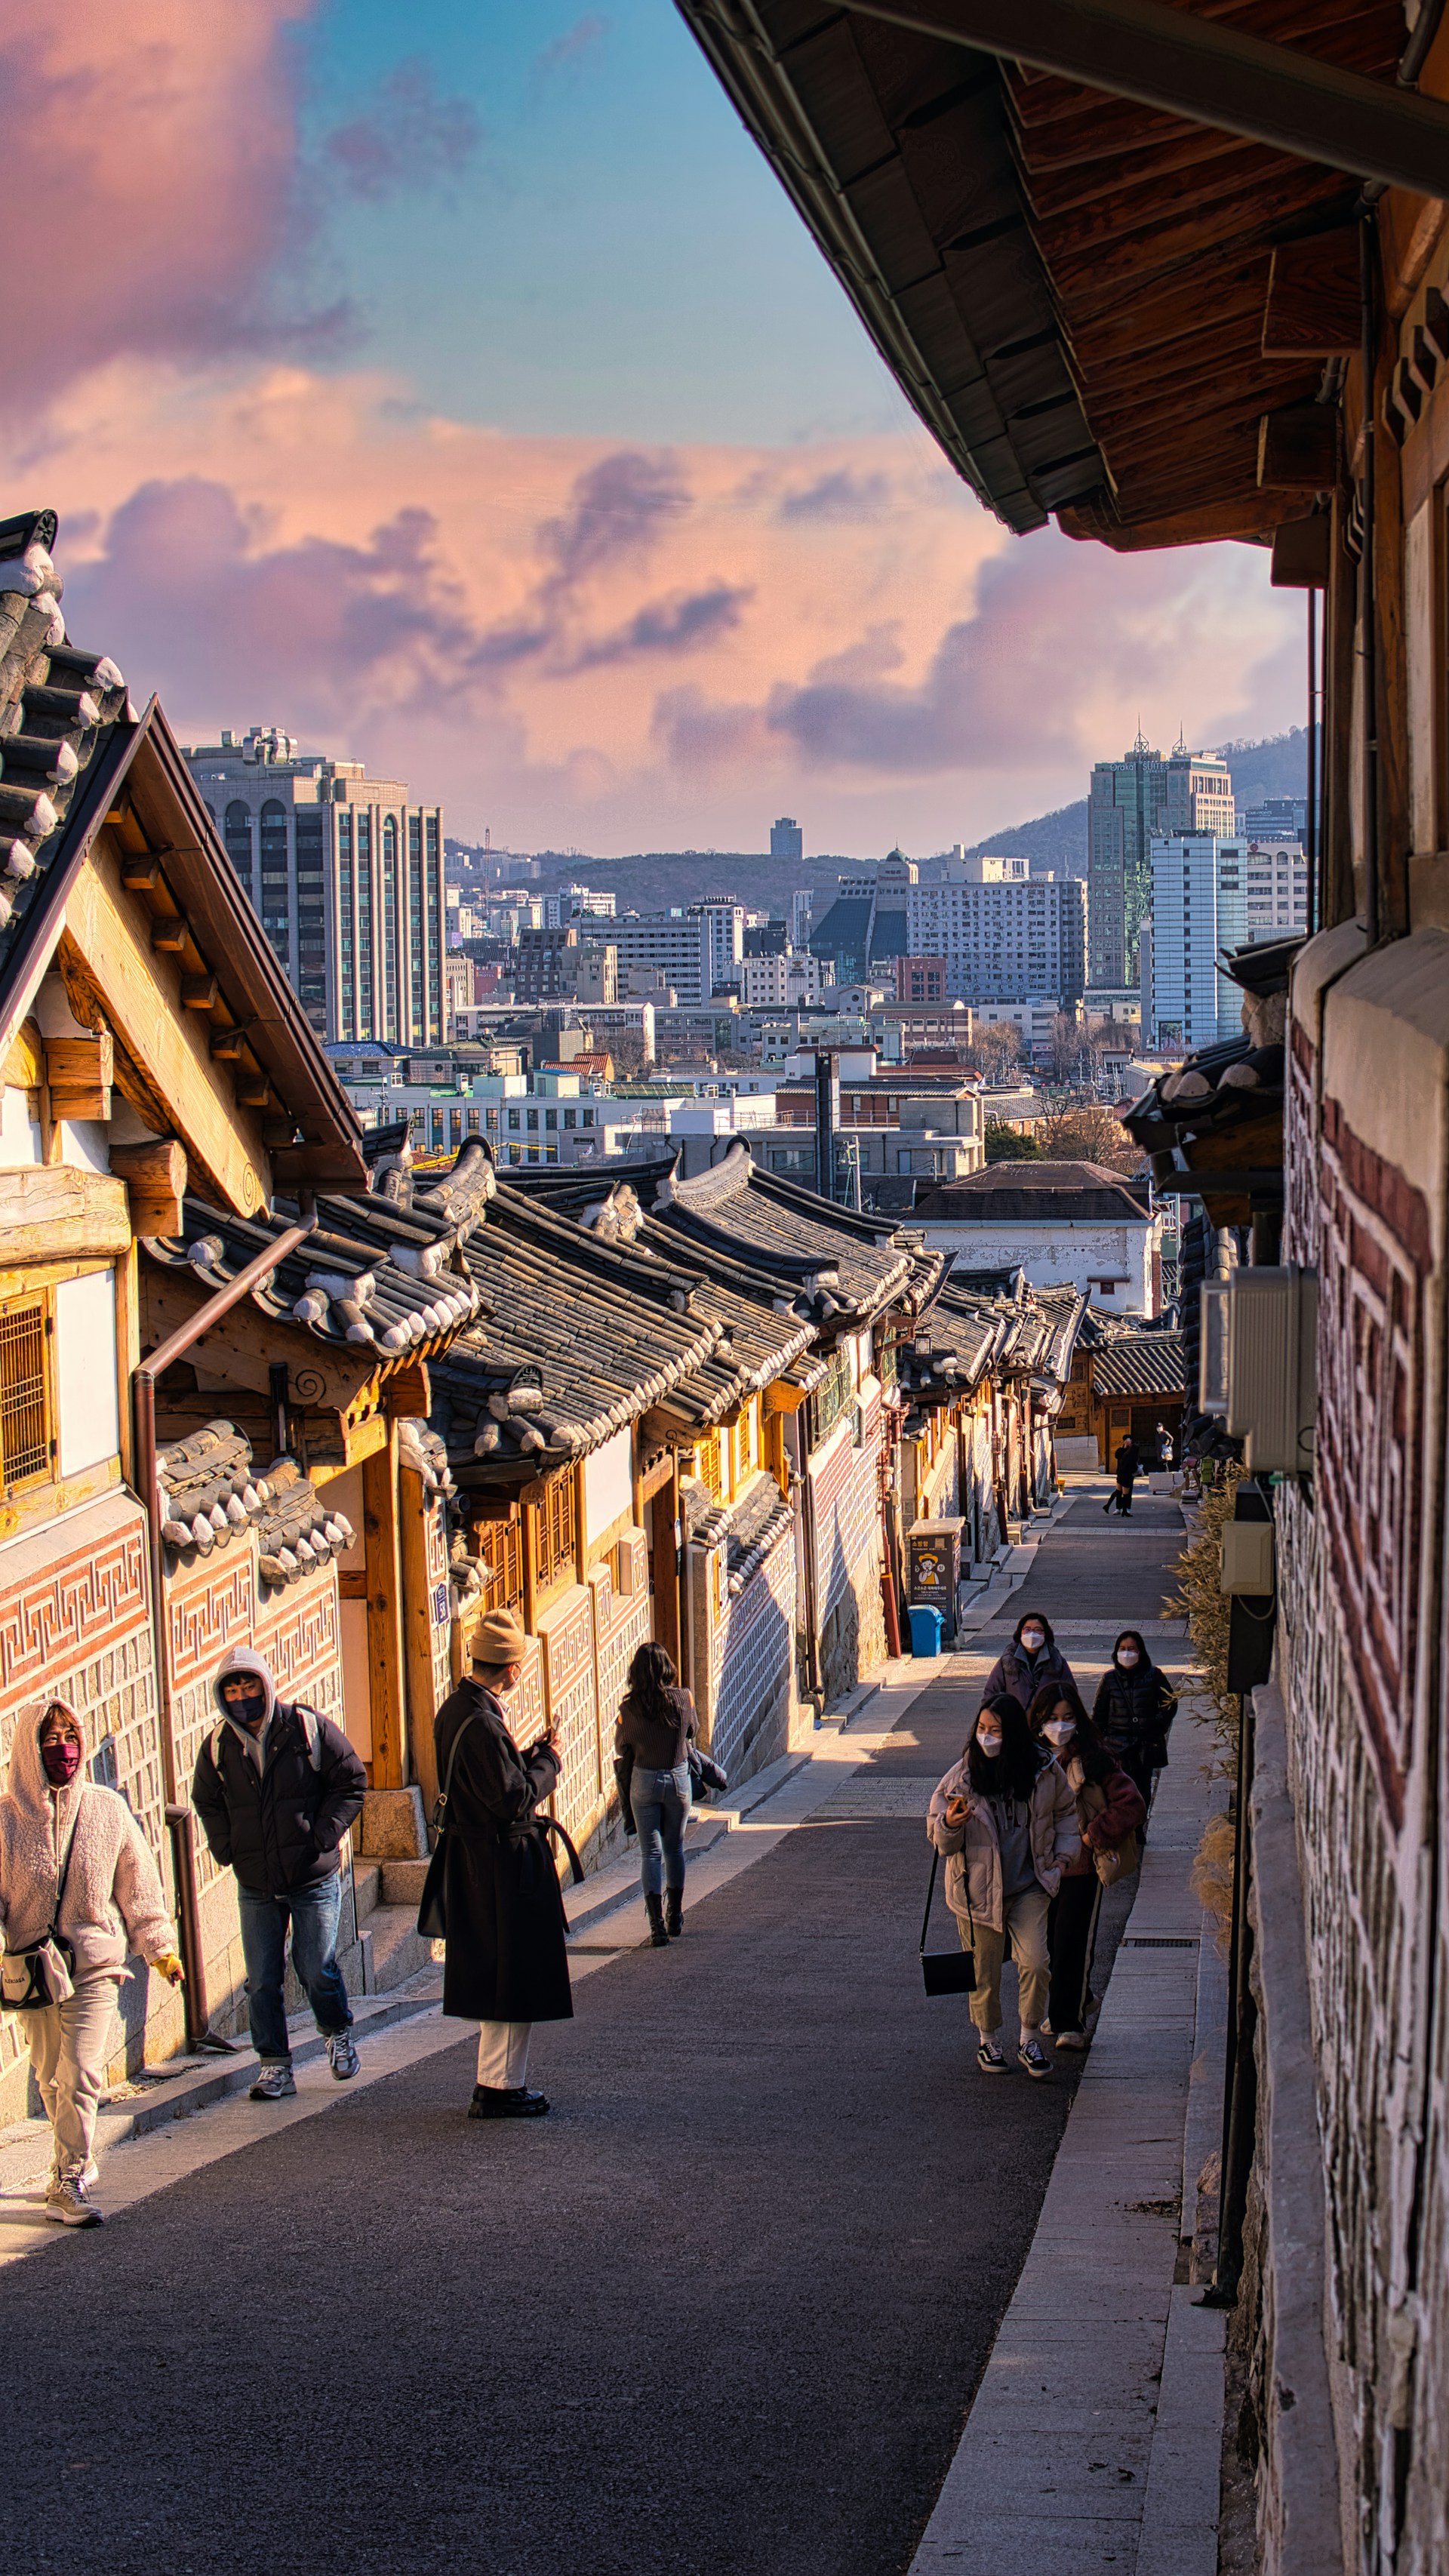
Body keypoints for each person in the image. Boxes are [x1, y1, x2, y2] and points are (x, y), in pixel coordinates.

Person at [0, 1700, 183, 2226]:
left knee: (81, 2073)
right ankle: (71, 2159)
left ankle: (69, 2176)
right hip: (33, 1970)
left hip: (95, 1964)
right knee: (51, 2077)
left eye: (70, 1736)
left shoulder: (106, 1810)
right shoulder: (5, 1818)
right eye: (50, 1739)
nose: (64, 1748)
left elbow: (138, 1883)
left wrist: (160, 1949)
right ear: (29, 1750)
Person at [192, 1646, 366, 2101]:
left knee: (316, 1967)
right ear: (222, 1696)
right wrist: (226, 1847)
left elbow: (351, 1781)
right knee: (262, 1981)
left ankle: (337, 2032)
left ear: (265, 1685)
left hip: (312, 1877)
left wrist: (323, 1836)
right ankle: (274, 2066)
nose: (242, 1697)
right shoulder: (218, 1747)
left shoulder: (306, 1728)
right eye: (233, 1690)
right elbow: (206, 1800)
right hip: (256, 1883)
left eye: (249, 1686)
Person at [432, 1605, 572, 2120]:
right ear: (512, 1668)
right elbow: (512, 1799)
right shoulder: (483, 1724)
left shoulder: (457, 1709)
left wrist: (528, 1756)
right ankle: (500, 2086)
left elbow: (491, 1781)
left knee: (499, 1974)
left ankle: (499, 2082)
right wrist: (549, 1761)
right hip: (500, 1865)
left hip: (475, 1858)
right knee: (513, 1977)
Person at [926, 1691, 1078, 2079]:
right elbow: (941, 1841)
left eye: (995, 1730)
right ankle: (988, 2039)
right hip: (976, 1891)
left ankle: (1029, 2038)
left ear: (1013, 1733)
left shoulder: (1043, 1771)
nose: (987, 1737)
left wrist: (1061, 1860)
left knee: (1036, 1962)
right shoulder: (962, 1777)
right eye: (982, 1728)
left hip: (1030, 1885)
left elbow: (1066, 1812)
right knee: (984, 1971)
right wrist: (950, 1824)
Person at [1026, 1685, 1144, 2052]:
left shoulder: (1095, 1761)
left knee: (1072, 1945)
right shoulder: (1028, 1759)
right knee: (1044, 1949)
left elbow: (1131, 1804)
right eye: (1052, 1718)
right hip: (1040, 1870)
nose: (1059, 1726)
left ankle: (1070, 2021)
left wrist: (1092, 1837)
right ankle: (1078, 2000)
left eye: (1067, 1718)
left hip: (1080, 1871)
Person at [614, 1642, 697, 1947]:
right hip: (678, 1779)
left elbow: (621, 1747)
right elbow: (692, 1731)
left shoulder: (628, 1709)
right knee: (675, 1848)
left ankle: (656, 1926)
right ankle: (675, 1914)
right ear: (667, 1669)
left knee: (650, 1852)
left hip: (644, 1781)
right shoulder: (685, 1698)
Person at [1092, 1630, 1179, 1814]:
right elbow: (1099, 1715)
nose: (1127, 1653)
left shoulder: (1154, 1675)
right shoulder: (1109, 1679)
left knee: (1142, 1789)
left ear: (1140, 1651)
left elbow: (1170, 1702)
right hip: (1117, 1748)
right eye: (1122, 1648)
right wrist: (1102, 1742)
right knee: (1118, 1791)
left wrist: (1156, 1726)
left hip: (1144, 1747)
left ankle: (1139, 1825)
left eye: (1131, 1649)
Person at [983, 1610, 1077, 1713]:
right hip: (1015, 1720)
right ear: (1020, 1632)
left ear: (1045, 1634)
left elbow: (1070, 1694)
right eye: (1027, 1629)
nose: (1032, 1634)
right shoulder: (1007, 1661)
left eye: (1038, 1630)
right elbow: (991, 1693)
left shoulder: (1057, 1662)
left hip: (1046, 1720)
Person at [1104, 1434, 1141, 1516]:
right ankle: (1118, 1508)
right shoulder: (1121, 1450)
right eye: (1126, 1441)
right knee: (1120, 1492)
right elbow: (1118, 1456)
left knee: (1126, 1493)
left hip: (1127, 1474)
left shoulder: (1134, 1450)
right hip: (1122, 1473)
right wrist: (1124, 1447)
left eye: (1129, 1441)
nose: (1127, 1442)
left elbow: (1135, 1460)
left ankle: (1125, 1508)